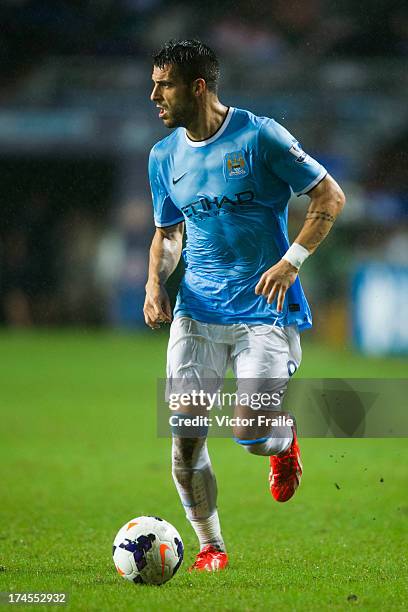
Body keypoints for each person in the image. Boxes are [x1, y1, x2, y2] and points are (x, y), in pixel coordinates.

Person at [144, 39, 345, 572]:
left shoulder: (261, 137)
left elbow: (330, 197)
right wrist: (154, 284)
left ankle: (283, 443)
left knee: (251, 433)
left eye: (164, 84)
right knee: (184, 439)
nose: (153, 95)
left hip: (263, 310)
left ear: (198, 86)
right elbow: (168, 234)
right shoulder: (163, 156)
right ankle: (211, 546)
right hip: (197, 312)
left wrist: (293, 259)